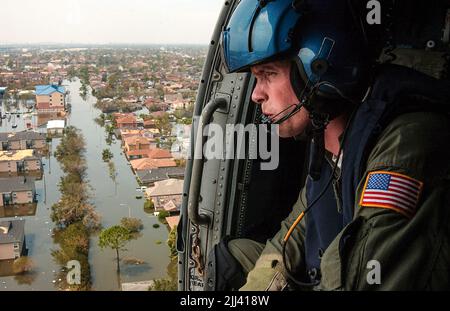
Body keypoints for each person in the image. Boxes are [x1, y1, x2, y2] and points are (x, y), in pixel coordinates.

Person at [221, 0, 450, 290]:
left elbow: (362, 280)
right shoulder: (330, 141)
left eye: (268, 74)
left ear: (319, 67)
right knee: (230, 258)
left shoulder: (406, 143)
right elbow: (294, 231)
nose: (256, 95)